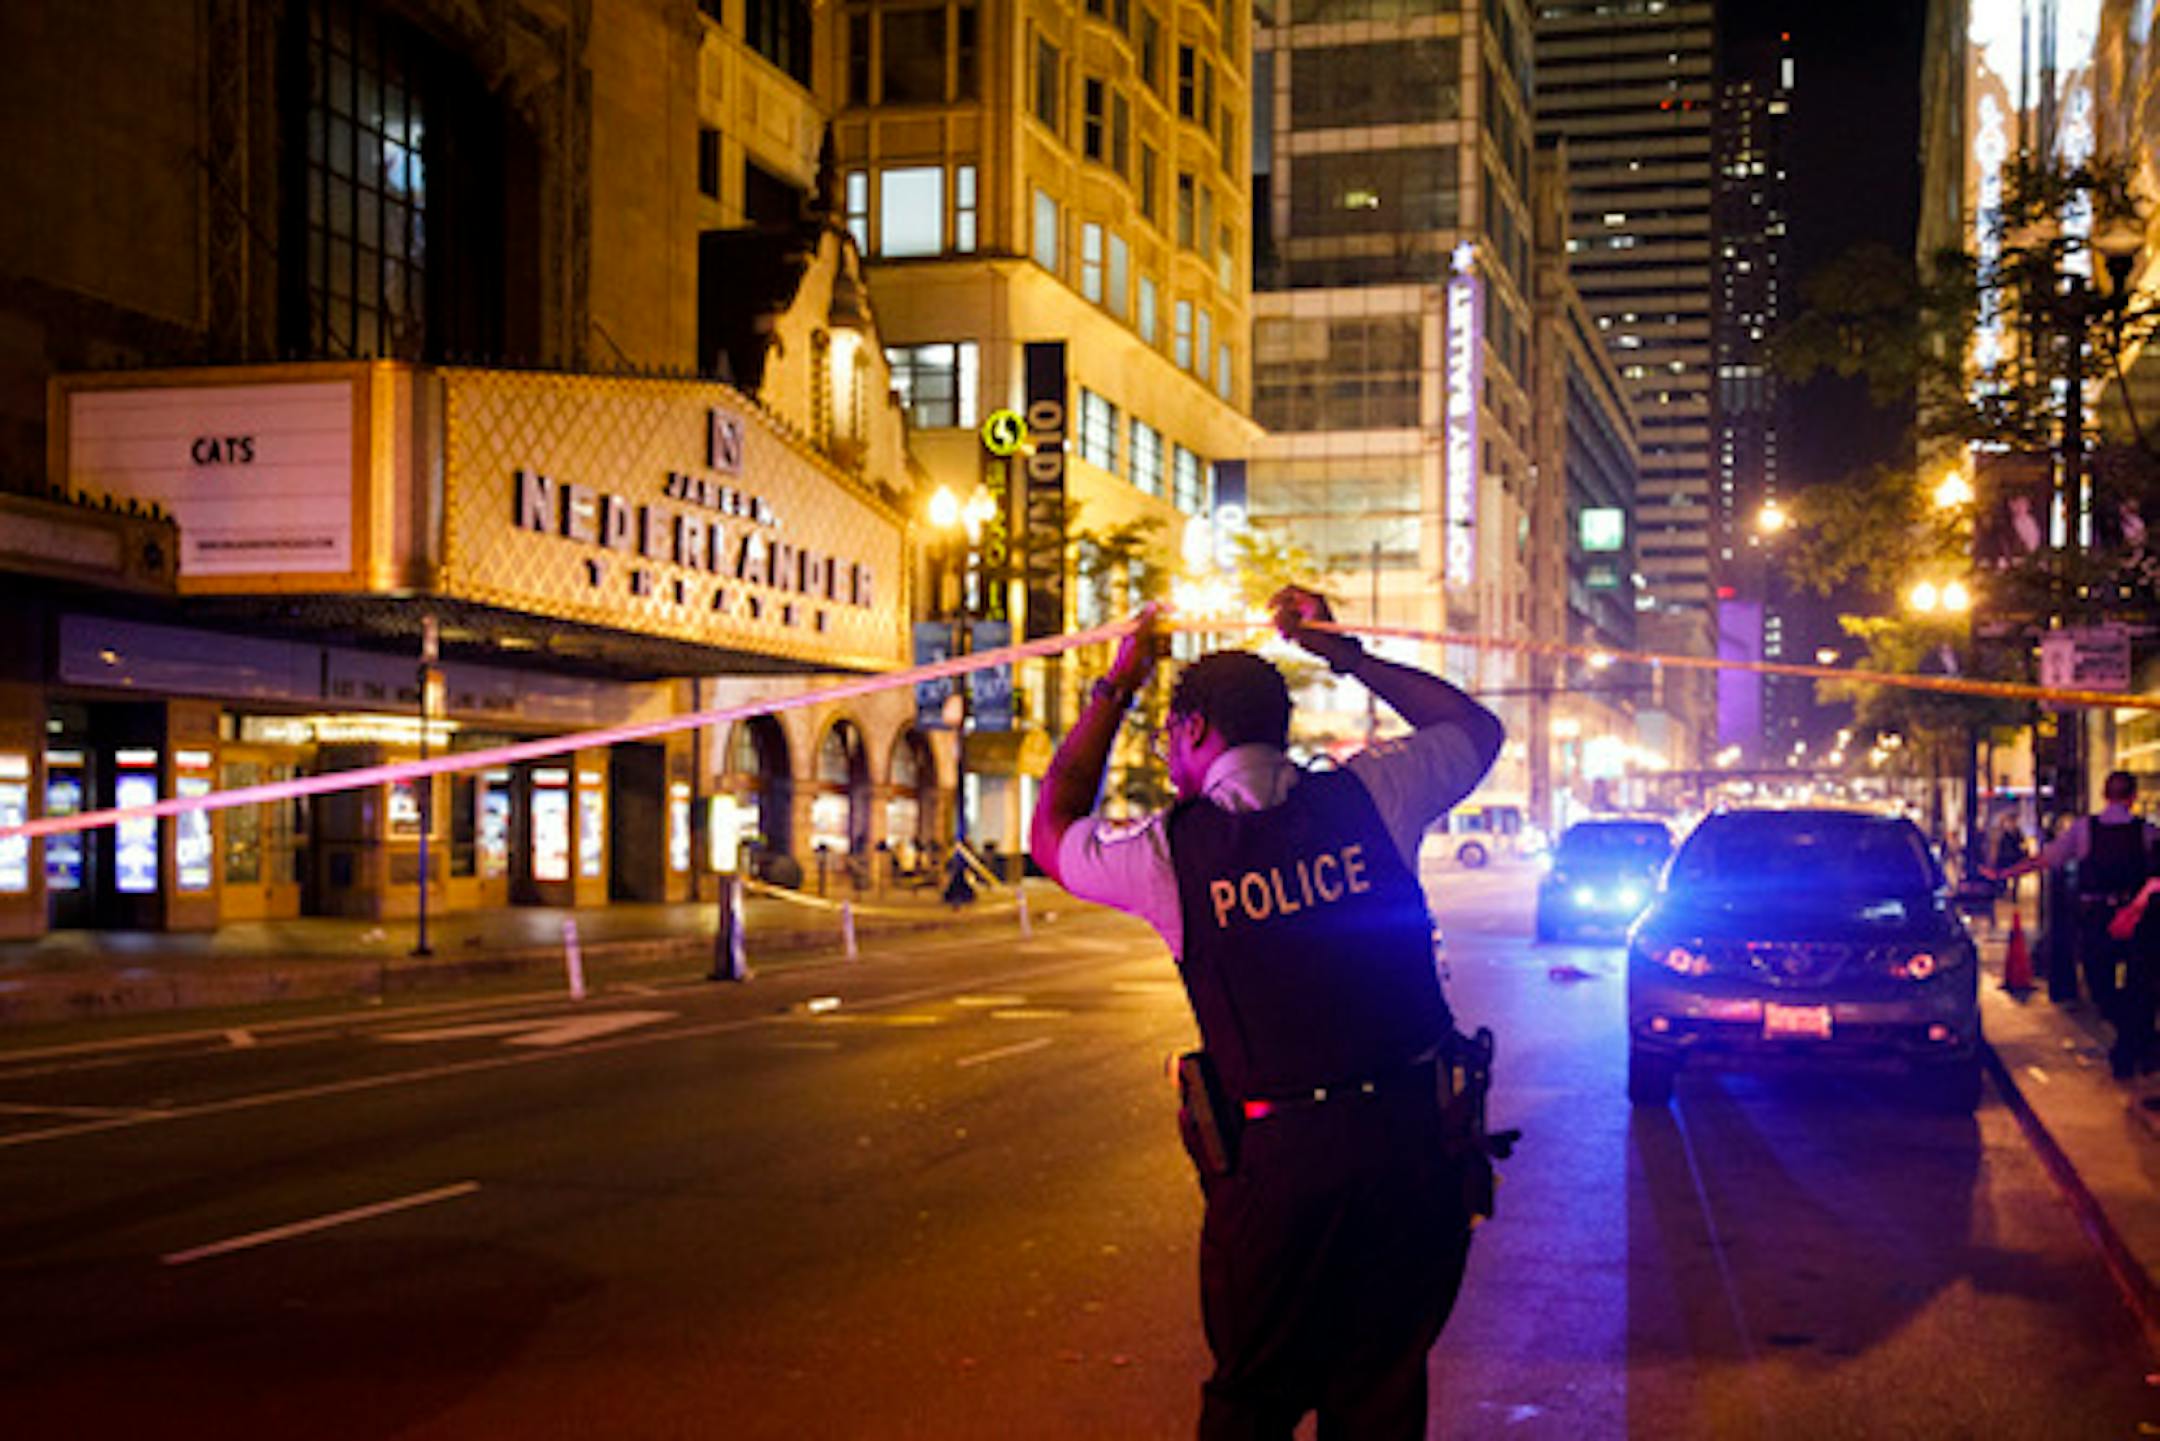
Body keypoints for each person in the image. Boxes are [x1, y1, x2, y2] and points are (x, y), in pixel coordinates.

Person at [1030, 587, 1504, 1441]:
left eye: (1170, 732)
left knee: (1253, 1401)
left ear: (1198, 730)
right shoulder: (1374, 797)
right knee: (1382, 1397)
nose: (1169, 753)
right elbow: (1476, 730)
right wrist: (1345, 652)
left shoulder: (1173, 855)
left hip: (1283, 1177)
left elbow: (1053, 828)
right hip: (1411, 1154)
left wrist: (1117, 685)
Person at [1990, 771, 2160, 1076]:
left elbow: (2046, 859)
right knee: (2139, 985)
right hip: (2136, 916)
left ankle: (2128, 1043)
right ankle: (2136, 1041)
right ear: (2132, 797)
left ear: (2105, 794)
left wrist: (2005, 874)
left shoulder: (2085, 830)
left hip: (2096, 915)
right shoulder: (2146, 833)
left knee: (2100, 985)